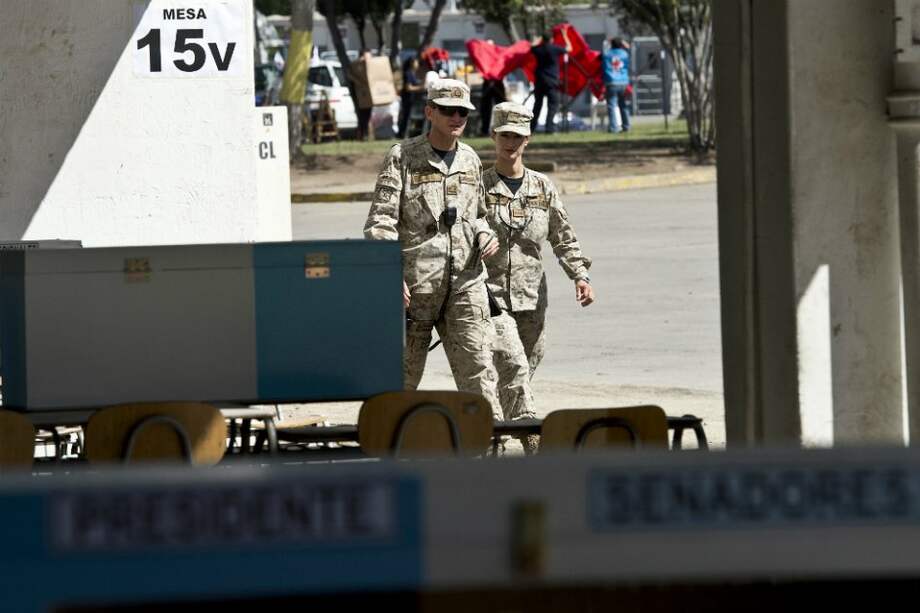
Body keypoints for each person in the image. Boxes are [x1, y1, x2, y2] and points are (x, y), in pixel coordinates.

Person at [364, 79, 503, 418]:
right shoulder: (403, 156)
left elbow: (478, 215)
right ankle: (387, 437)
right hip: (416, 288)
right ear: (429, 112)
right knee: (401, 378)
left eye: (463, 112)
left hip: (466, 284)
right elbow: (380, 223)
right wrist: (388, 275)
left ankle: (491, 442)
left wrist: (486, 234)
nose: (456, 118)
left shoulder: (470, 159)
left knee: (480, 371)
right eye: (448, 110)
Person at [483, 101, 594, 453]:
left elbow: (562, 235)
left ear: (527, 139)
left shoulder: (542, 187)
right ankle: (530, 437)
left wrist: (579, 276)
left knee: (522, 368)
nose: (510, 143)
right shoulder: (479, 186)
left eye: (517, 136)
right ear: (494, 136)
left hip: (532, 297)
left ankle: (492, 431)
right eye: (504, 135)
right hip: (491, 297)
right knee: (512, 366)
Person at [530, 29, 572, 135]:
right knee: (553, 105)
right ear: (552, 39)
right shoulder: (555, 49)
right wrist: (565, 35)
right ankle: (549, 128)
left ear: (543, 39)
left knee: (537, 105)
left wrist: (540, 38)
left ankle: (531, 128)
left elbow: (531, 46)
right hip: (552, 81)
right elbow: (569, 48)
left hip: (539, 81)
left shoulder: (538, 49)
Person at [602, 37, 631, 133]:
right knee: (623, 105)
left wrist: (607, 42)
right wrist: (624, 42)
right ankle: (626, 126)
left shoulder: (607, 54)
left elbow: (603, 52)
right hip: (623, 82)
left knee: (612, 106)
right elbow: (629, 49)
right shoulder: (624, 54)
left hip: (611, 82)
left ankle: (614, 127)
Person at [397, 57, 424, 139]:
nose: (417, 64)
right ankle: (401, 133)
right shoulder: (408, 73)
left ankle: (403, 133)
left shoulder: (412, 73)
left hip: (410, 98)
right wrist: (421, 88)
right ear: (412, 63)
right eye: (416, 62)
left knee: (407, 116)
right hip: (407, 98)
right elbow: (408, 88)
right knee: (406, 116)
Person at [350, 49, 374, 140]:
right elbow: (350, 75)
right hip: (361, 94)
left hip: (368, 94)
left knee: (367, 115)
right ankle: (362, 134)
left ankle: (365, 134)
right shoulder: (356, 65)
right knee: (362, 115)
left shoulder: (369, 65)